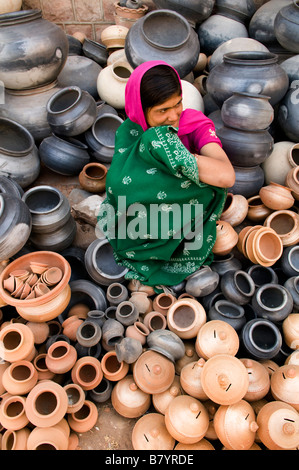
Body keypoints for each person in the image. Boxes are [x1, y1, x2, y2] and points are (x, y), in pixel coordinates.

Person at [99, 60, 235, 289]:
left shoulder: (195, 124)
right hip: (141, 220)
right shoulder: (130, 131)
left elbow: (226, 176)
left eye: (178, 103)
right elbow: (118, 185)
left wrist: (177, 156)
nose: (174, 116)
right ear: (140, 111)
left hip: (189, 214)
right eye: (162, 110)